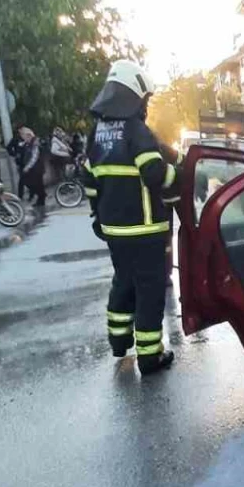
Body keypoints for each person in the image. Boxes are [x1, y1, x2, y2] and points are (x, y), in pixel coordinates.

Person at [81, 59, 178, 374]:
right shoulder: (136, 130)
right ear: (135, 95)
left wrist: (97, 216)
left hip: (114, 229)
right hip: (146, 228)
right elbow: (153, 172)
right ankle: (150, 356)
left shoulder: (97, 133)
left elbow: (90, 180)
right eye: (146, 99)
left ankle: (118, 342)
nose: (146, 105)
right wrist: (178, 176)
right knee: (150, 290)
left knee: (123, 281)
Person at [18, 127, 46, 208]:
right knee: (33, 183)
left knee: (36, 183)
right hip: (33, 168)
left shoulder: (35, 143)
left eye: (23, 135)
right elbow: (22, 144)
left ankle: (41, 198)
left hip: (36, 168)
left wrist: (28, 167)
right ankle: (41, 198)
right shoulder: (28, 143)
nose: (22, 137)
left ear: (28, 135)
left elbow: (35, 156)